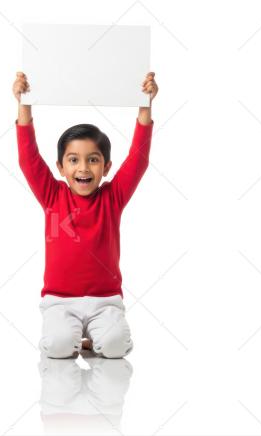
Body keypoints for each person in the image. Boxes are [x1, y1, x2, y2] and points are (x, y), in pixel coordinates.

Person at [13, 71, 158, 358]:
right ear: (60, 167)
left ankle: (92, 339)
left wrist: (145, 106)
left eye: (93, 160)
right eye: (73, 160)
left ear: (106, 168)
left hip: (105, 302)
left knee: (116, 347)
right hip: (59, 302)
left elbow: (138, 160)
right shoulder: (52, 195)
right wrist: (24, 104)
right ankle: (75, 339)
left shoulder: (112, 197)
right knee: (57, 347)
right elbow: (28, 159)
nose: (83, 168)